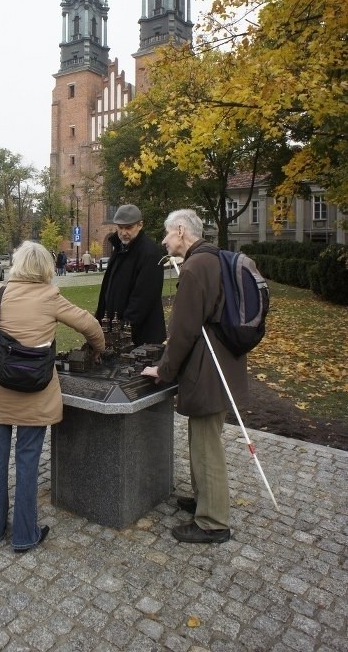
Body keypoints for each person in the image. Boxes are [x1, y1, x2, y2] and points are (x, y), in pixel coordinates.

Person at [0, 240, 105, 552]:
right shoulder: (50, 297)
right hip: (35, 391)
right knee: (28, 462)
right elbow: (89, 325)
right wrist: (99, 348)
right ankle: (24, 534)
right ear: (45, 269)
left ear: (17, 266)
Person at [141, 209, 248, 543]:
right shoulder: (216, 258)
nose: (164, 240)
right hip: (223, 362)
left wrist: (163, 370)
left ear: (182, 230)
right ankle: (205, 498)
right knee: (203, 437)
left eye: (167, 234)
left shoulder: (196, 266)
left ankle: (213, 522)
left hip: (208, 368)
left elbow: (183, 330)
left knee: (206, 445)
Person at [95, 204, 166, 345]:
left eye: (128, 227)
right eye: (120, 228)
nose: (123, 232)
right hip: (117, 330)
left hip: (141, 336)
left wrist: (123, 329)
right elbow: (108, 287)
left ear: (140, 225)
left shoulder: (149, 253)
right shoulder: (120, 248)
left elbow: (143, 298)